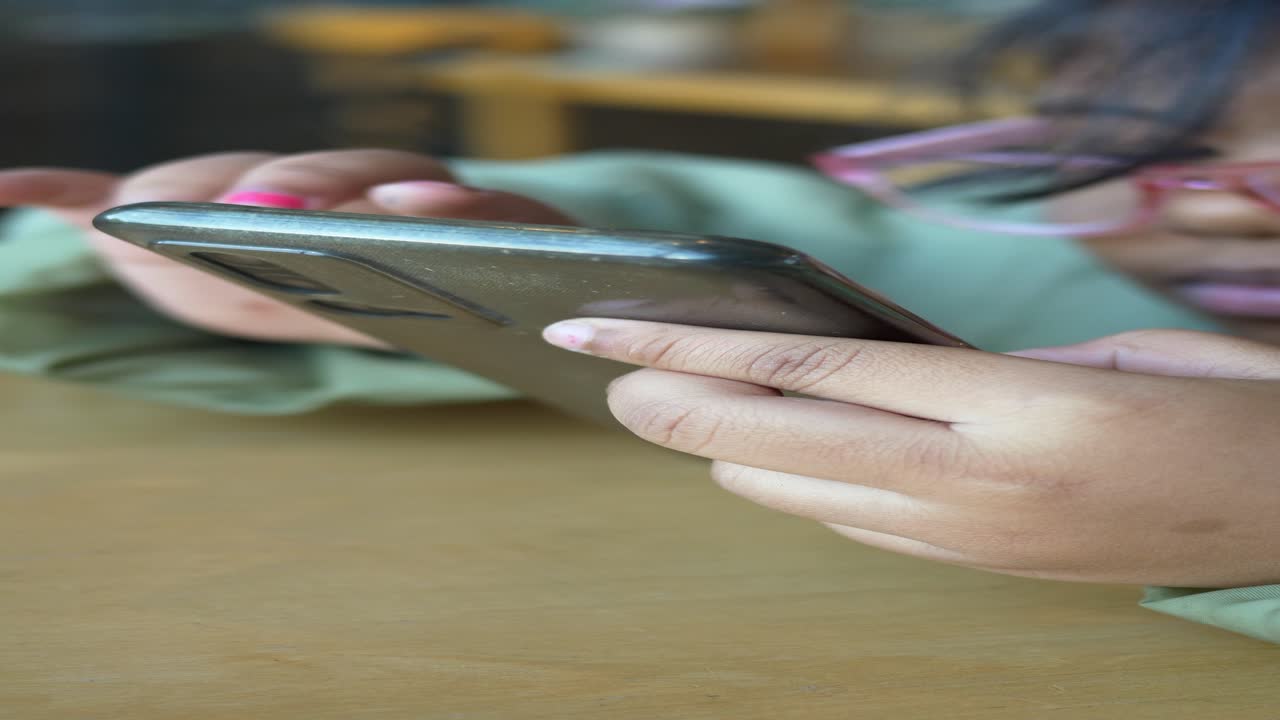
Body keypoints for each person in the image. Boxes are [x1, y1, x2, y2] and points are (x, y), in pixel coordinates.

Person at [0, 0, 1276, 643]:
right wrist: (293, 249)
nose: (1225, 214)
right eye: (1145, 148)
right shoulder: (970, 233)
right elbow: (681, 223)